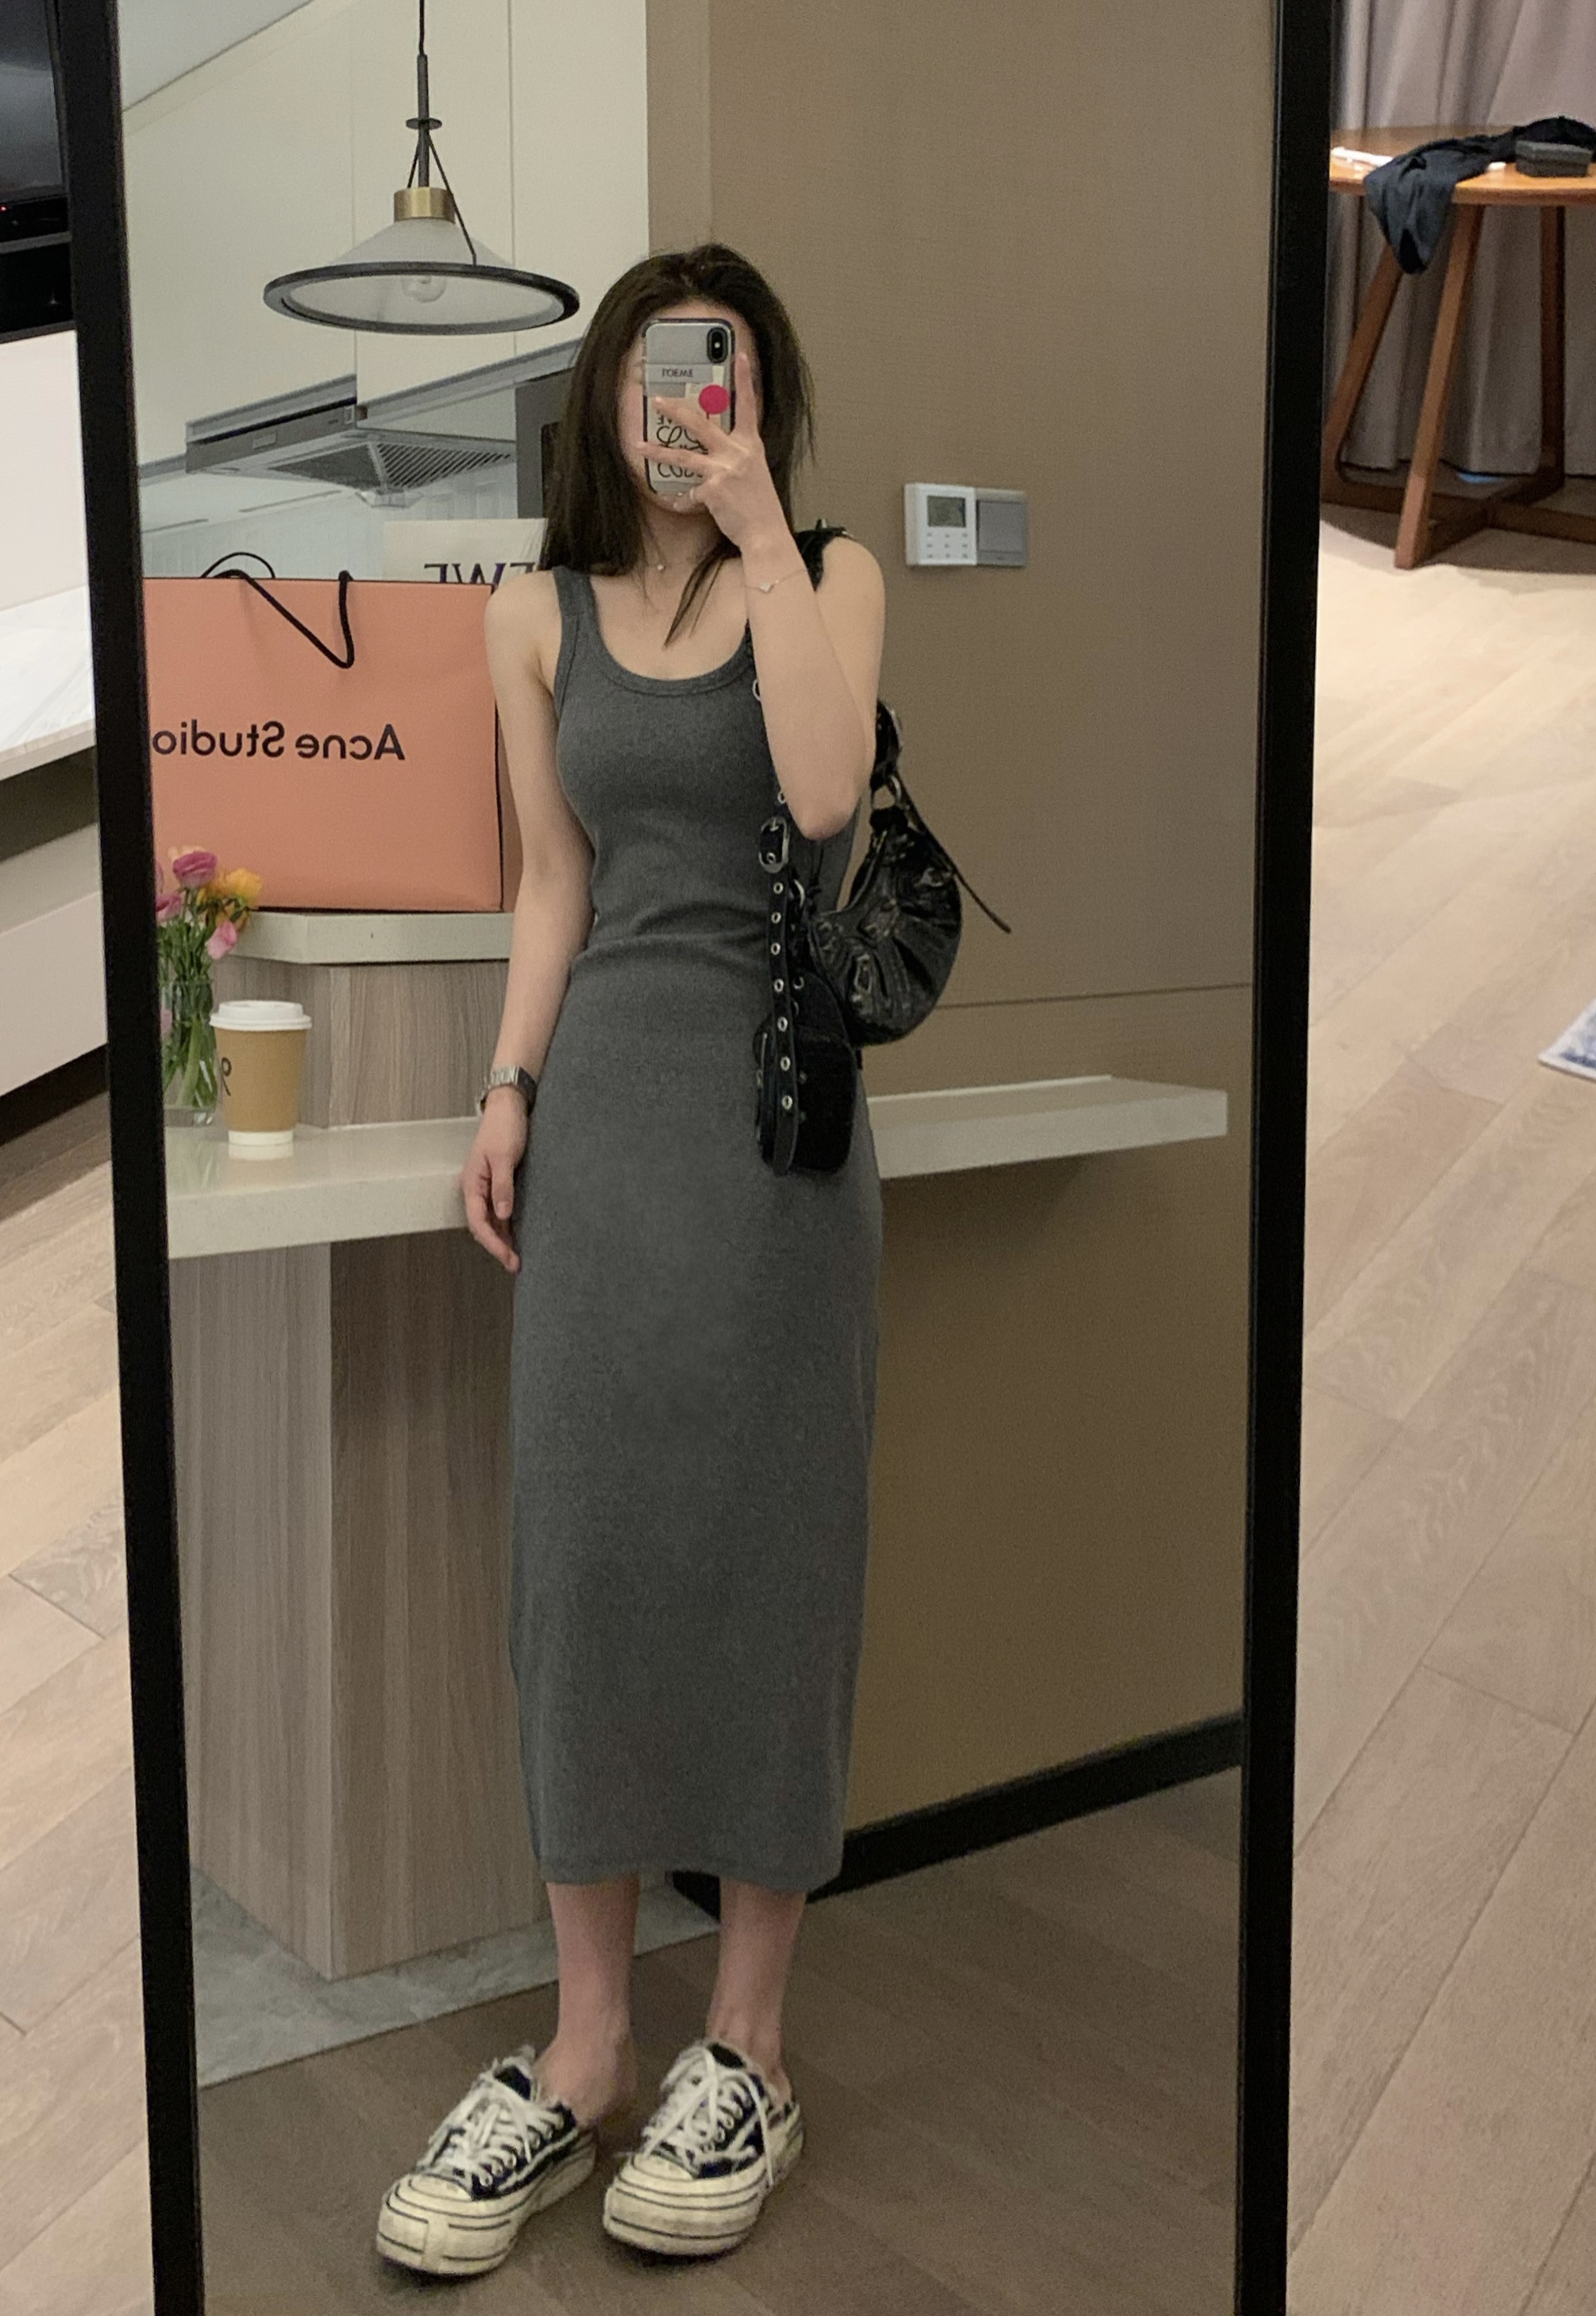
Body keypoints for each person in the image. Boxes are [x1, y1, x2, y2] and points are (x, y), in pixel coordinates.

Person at [377, 244, 885, 2276]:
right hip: (603, 1122)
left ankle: (747, 2042)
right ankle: (589, 2045)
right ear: (606, 394)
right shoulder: (532, 617)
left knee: (773, 1550)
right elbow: (555, 884)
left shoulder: (828, 574)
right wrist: (505, 1091)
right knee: (579, 1557)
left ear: (764, 395)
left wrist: (757, 527)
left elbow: (828, 793)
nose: (688, 401)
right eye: (664, 371)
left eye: (724, 370)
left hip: (778, 1139)